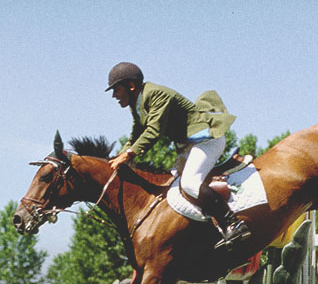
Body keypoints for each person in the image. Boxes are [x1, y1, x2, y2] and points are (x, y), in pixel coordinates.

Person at [106, 62, 250, 248]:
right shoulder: (137, 103)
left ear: (130, 86)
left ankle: (233, 224)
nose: (114, 95)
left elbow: (152, 131)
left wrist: (128, 155)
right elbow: (136, 135)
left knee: (190, 183)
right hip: (188, 147)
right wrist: (118, 156)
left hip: (207, 141)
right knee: (172, 185)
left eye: (116, 89)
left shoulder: (155, 94)